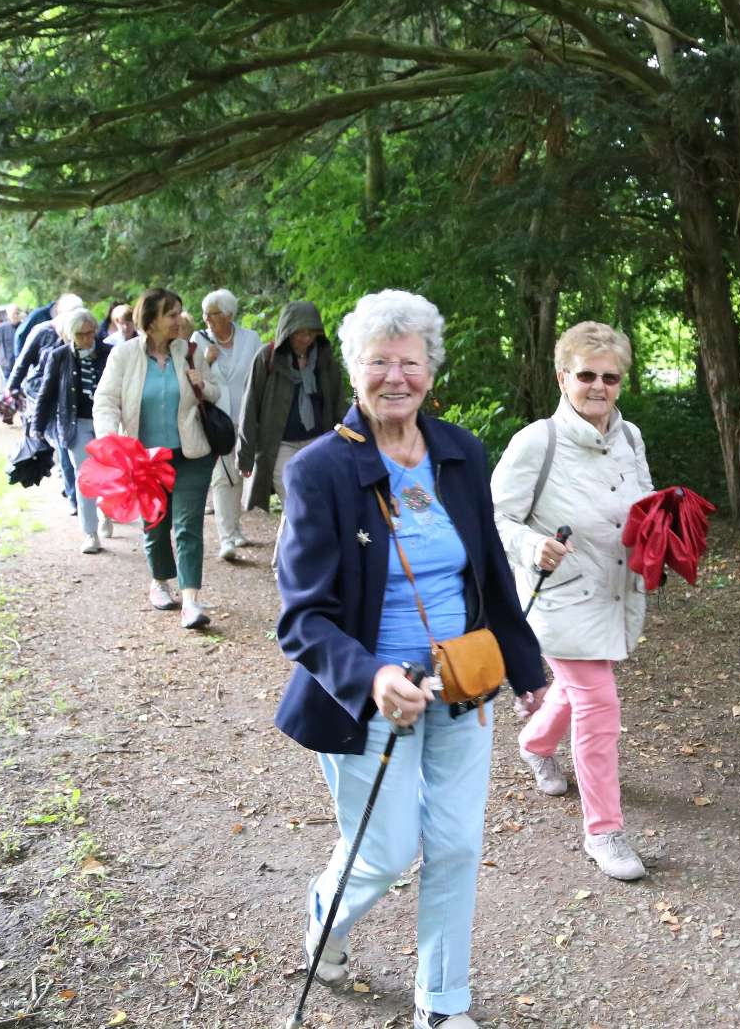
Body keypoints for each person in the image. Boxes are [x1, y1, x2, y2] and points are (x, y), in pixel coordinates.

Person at [274, 289, 545, 1029]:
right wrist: (372, 677)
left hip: (460, 684)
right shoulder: (322, 470)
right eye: (379, 362)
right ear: (353, 373)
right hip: (371, 698)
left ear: (431, 370)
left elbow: (487, 569)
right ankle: (327, 913)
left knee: (456, 845)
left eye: (411, 362)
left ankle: (442, 1004)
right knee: (388, 852)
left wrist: (526, 670)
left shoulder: (460, 453)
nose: (397, 376)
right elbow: (301, 617)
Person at [490, 322, 655, 881]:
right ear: (563, 377)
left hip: (615, 589)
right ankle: (603, 831)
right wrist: (533, 544)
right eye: (586, 375)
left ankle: (535, 740)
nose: (598, 386)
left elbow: (642, 505)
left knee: (581, 687)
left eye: (610, 377)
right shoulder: (538, 441)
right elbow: (494, 518)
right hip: (558, 598)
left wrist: (662, 528)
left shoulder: (630, 437)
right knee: (599, 704)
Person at [93, 288, 221, 629]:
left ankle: (191, 600)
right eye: (171, 314)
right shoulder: (123, 356)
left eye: (180, 313)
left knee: (188, 525)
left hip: (191, 452)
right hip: (146, 458)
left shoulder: (189, 351)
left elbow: (214, 391)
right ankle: (160, 580)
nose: (179, 320)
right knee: (155, 524)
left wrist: (201, 384)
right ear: (150, 321)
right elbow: (106, 400)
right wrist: (111, 442)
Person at [237, 300, 346, 563]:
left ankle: (284, 560)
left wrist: (347, 441)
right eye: (300, 333)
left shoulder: (325, 360)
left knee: (309, 504)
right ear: (287, 332)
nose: (305, 339)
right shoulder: (267, 358)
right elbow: (250, 406)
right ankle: (297, 563)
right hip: (280, 445)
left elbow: (338, 403)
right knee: (295, 502)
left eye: (311, 333)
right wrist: (246, 454)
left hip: (317, 443)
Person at [32, 307, 111, 554]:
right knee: (85, 476)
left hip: (107, 422)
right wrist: (36, 427)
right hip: (76, 424)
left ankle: (106, 511)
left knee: (109, 474)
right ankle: (90, 533)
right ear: (70, 335)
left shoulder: (109, 353)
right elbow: (46, 393)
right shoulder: (59, 357)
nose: (88, 339)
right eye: (81, 334)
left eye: (91, 333)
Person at [197, 289, 262, 561]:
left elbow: (259, 376)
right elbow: (194, 378)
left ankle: (236, 530)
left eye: (213, 314)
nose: (208, 320)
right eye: (205, 314)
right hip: (217, 420)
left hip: (246, 417)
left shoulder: (250, 339)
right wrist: (206, 361)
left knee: (240, 473)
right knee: (223, 476)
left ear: (229, 315)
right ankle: (226, 538)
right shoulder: (198, 340)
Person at [10, 293, 85, 513]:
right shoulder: (42, 331)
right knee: (62, 443)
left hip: (70, 396)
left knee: (68, 443)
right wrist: (11, 388)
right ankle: (73, 496)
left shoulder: (82, 332)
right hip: (42, 393)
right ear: (60, 312)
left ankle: (72, 488)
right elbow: (23, 361)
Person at [0, 304, 23, 396]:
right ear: (8, 314)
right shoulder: (1, 328)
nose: (15, 315)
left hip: (21, 365)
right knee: (8, 392)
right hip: (6, 366)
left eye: (17, 313)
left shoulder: (24, 327)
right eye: (13, 313)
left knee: (20, 392)